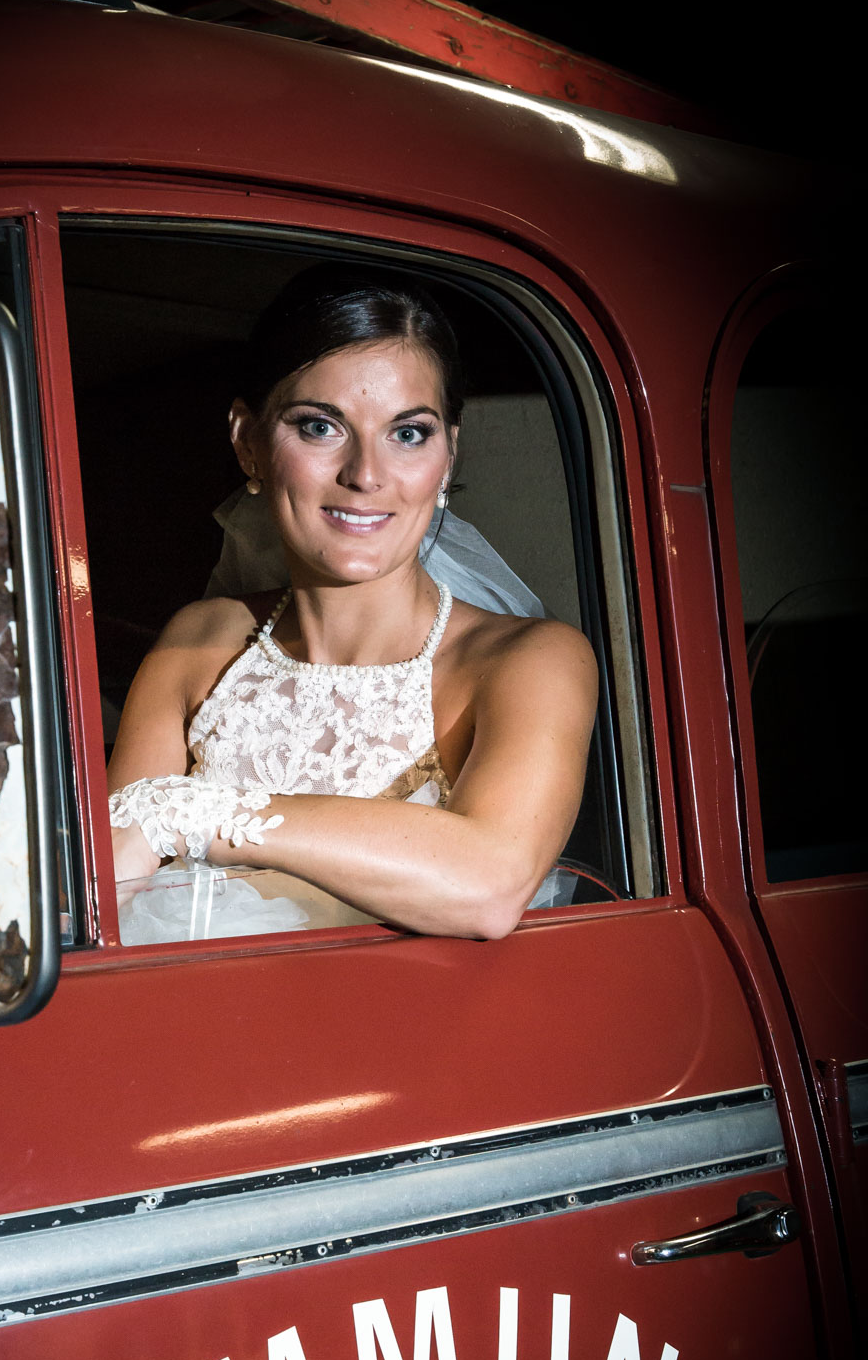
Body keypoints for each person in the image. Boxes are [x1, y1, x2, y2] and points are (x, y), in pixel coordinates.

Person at [107, 267, 598, 940]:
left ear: (449, 453)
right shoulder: (202, 642)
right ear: (248, 443)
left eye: (408, 433)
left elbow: (489, 884)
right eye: (319, 426)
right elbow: (105, 899)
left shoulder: (530, 660)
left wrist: (190, 810)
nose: (366, 474)